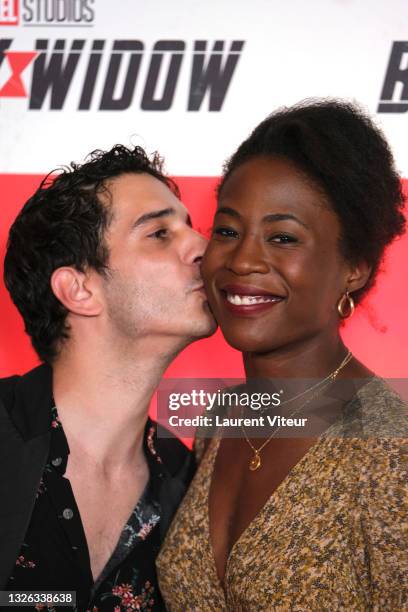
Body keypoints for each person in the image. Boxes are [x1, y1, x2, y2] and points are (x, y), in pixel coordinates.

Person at [157, 100, 408, 610]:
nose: (243, 259)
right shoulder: (221, 419)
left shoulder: (393, 454)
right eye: (228, 230)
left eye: (283, 237)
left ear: (353, 269)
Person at [0, 144, 216, 610]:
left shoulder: (189, 482)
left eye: (191, 227)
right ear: (79, 289)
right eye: (160, 233)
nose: (203, 247)